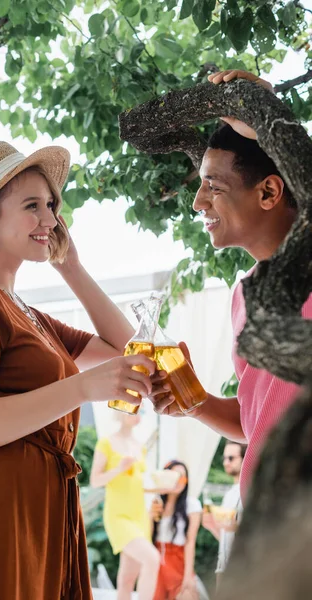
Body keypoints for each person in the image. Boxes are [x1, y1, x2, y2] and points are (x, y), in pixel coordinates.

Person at [0, 141, 165, 600]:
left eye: (51, 205)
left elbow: (128, 347)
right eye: (32, 206)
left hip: (35, 511)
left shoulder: (25, 312)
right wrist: (81, 387)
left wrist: (71, 266)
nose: (51, 219)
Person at [150, 69, 312, 501]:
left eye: (213, 186)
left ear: (269, 192)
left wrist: (266, 116)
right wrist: (196, 400)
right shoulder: (243, 296)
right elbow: (253, 420)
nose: (197, 201)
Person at [90, 411, 161, 600]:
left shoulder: (141, 447)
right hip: (118, 516)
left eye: (141, 409)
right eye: (134, 408)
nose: (138, 413)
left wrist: (164, 488)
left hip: (140, 517)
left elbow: (139, 485)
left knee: (127, 580)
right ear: (121, 411)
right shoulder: (106, 443)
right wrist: (118, 469)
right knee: (152, 559)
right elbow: (95, 480)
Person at [150, 460, 201, 600]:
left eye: (182, 477)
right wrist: (151, 515)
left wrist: (188, 576)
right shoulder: (155, 503)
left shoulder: (192, 505)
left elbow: (190, 541)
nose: (179, 481)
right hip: (156, 562)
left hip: (179, 561)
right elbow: (148, 538)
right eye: (174, 476)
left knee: (187, 595)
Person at [202, 441, 245, 585]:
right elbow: (226, 539)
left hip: (242, 568)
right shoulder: (229, 495)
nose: (226, 462)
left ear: (244, 458)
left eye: (231, 458)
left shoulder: (250, 491)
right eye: (224, 458)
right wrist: (212, 526)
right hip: (222, 568)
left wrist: (235, 528)